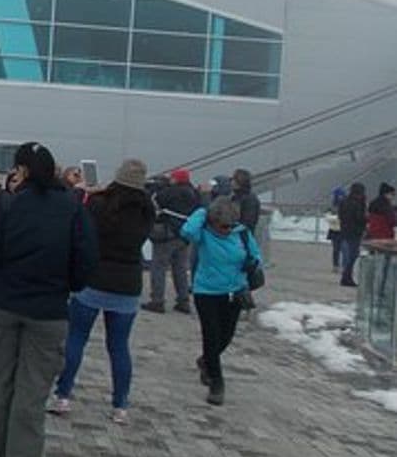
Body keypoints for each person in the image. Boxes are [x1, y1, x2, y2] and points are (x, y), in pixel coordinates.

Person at [0, 141, 98, 457]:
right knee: (32, 387)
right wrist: (64, 285)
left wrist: (2, 276)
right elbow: (86, 262)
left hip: (4, 305)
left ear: (23, 171)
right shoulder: (73, 209)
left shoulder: (8, 206)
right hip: (48, 311)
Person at [51, 159, 155, 424]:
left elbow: (80, 226)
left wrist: (86, 193)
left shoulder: (99, 204)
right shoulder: (147, 210)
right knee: (119, 347)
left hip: (94, 279)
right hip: (128, 284)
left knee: (76, 338)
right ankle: (120, 405)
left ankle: (63, 395)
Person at [180, 197, 262, 405]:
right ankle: (216, 382)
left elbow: (256, 255)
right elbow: (187, 232)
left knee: (226, 335)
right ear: (212, 221)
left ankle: (206, 360)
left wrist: (251, 264)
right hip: (206, 291)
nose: (227, 229)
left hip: (234, 291)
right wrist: (202, 211)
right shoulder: (204, 233)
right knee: (211, 334)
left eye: (230, 225)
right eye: (222, 226)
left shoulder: (242, 233)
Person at [141, 167, 200, 314]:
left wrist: (157, 187)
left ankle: (157, 301)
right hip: (185, 236)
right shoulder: (194, 193)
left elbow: (155, 200)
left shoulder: (170, 192)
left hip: (168, 234)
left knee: (158, 267)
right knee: (180, 269)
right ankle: (183, 301)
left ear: (176, 179)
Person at [338, 183, 367, 287]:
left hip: (345, 230)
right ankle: (347, 277)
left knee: (348, 255)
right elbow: (360, 218)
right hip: (355, 232)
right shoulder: (357, 203)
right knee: (354, 255)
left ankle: (346, 277)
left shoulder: (344, 201)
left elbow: (340, 215)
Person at [230, 169, 261, 234]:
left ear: (239, 182)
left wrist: (230, 232)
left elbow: (247, 223)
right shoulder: (235, 196)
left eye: (233, 180)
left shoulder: (250, 199)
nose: (231, 182)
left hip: (243, 237)